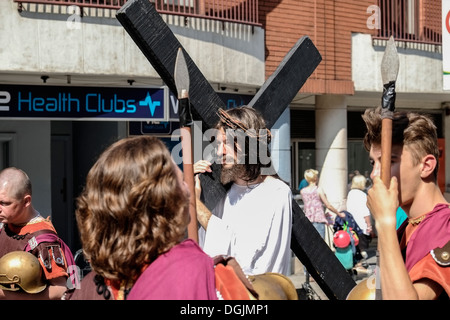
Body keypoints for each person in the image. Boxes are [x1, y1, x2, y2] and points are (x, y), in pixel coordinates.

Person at [70, 136, 217, 300]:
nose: (189, 190)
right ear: (159, 202)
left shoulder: (87, 289)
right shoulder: (198, 274)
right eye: (181, 181)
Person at [362, 107, 450, 299]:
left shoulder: (446, 226)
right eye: (373, 163)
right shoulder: (407, 226)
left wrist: (384, 222)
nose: (375, 174)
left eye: (389, 162)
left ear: (426, 166)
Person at [195, 106, 293, 276]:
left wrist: (195, 204)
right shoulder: (221, 193)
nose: (219, 152)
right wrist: (191, 187)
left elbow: (242, 259)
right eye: (218, 145)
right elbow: (201, 253)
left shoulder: (276, 193)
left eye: (226, 143)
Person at [0, 167, 69, 299]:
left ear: (26, 201)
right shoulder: (6, 223)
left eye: (4, 203)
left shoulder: (43, 239)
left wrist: (7, 295)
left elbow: (60, 289)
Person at [346, 174, 372, 260]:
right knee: (362, 246)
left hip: (352, 224)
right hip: (361, 224)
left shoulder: (350, 193)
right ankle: (361, 261)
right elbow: (365, 212)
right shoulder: (362, 195)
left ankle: (357, 261)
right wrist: (369, 225)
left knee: (355, 245)